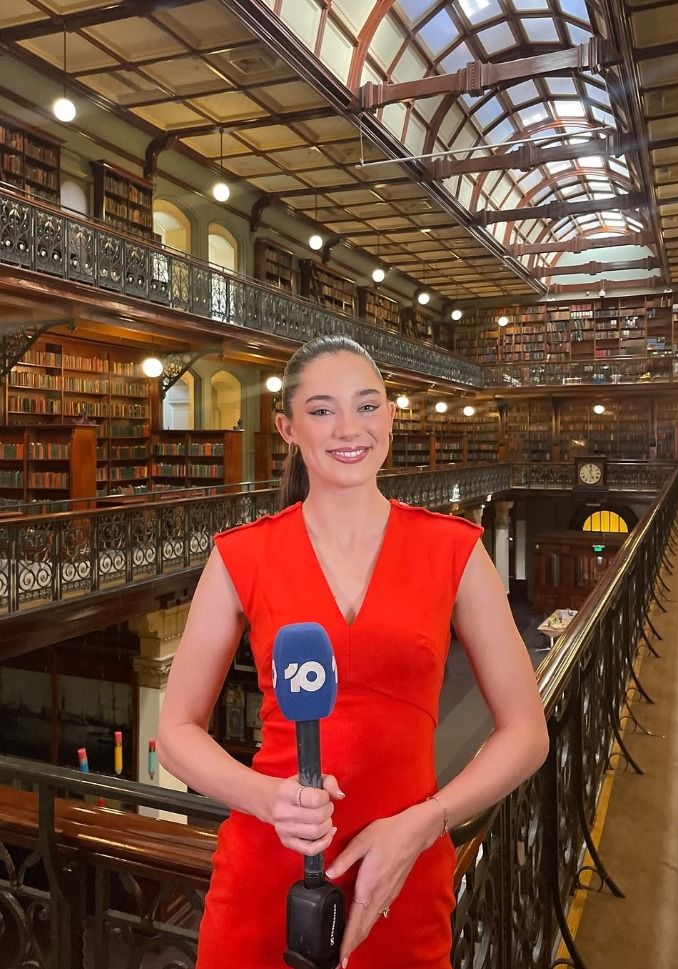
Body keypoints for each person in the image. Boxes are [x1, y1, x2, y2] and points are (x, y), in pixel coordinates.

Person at [157, 335, 549, 969]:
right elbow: (175, 731)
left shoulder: (454, 550)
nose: (349, 428)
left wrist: (427, 821)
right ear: (287, 428)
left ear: (390, 417)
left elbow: (527, 733)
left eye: (367, 406)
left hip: (402, 872)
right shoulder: (241, 555)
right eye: (322, 410)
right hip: (269, 871)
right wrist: (266, 798)